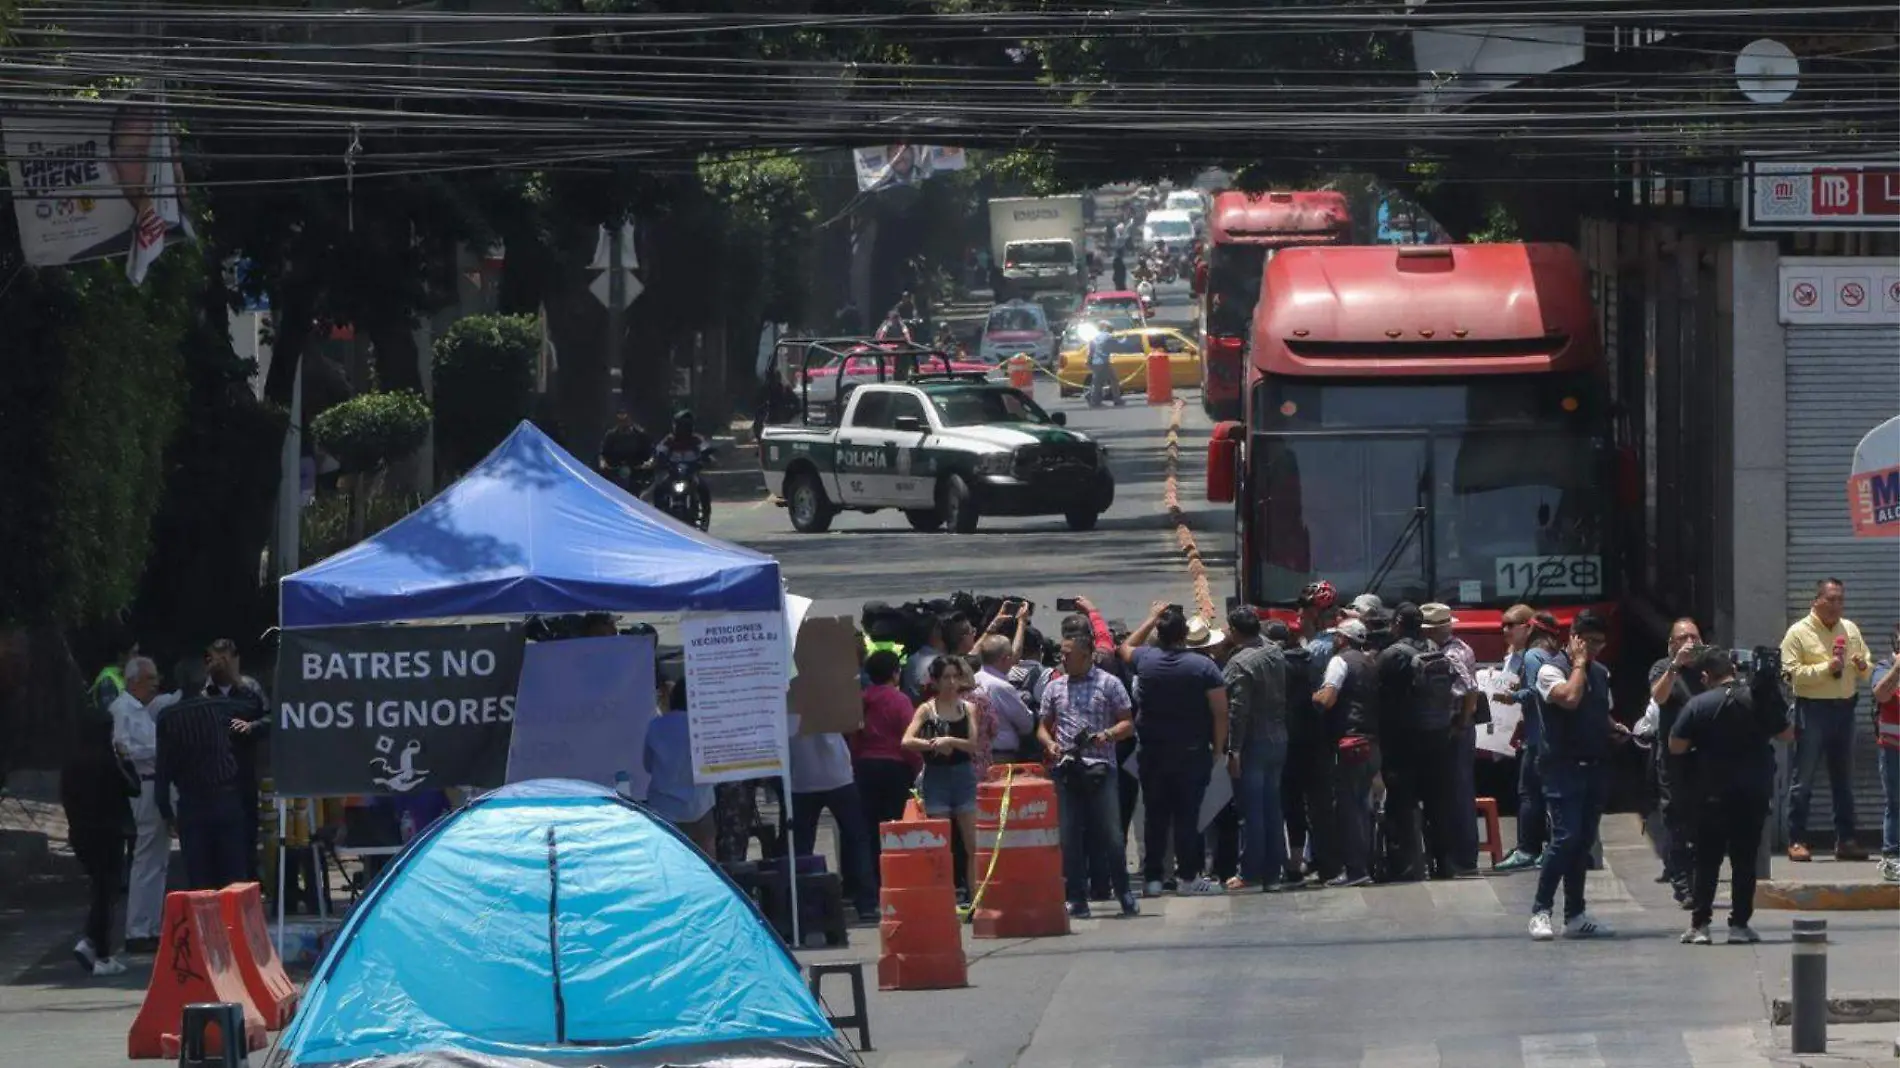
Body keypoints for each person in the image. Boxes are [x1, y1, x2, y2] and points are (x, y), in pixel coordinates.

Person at [1669, 647, 1793, 945]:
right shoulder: (1758, 700)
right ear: (1734, 671)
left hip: (1711, 794)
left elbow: (1676, 746)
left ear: (1704, 677)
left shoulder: (1699, 704)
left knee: (1707, 860)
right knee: (1745, 860)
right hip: (1751, 794)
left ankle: (1700, 926)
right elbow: (1787, 734)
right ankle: (1739, 925)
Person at [1527, 610, 1629, 941]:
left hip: (1595, 764)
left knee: (1583, 841)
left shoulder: (1600, 673)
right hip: (1562, 766)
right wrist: (1580, 664)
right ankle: (1541, 910)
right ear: (1574, 638)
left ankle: (1576, 914)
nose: (1596, 649)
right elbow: (1570, 700)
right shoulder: (1550, 669)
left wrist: (1615, 730)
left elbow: (1600, 711)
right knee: (1565, 837)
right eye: (1590, 642)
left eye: (1601, 642)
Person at [1120, 603, 1230, 897]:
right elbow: (1220, 711)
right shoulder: (1203, 666)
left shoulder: (1146, 659)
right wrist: (1218, 748)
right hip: (1191, 753)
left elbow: (1125, 647)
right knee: (1187, 816)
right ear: (1185, 636)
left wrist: (1151, 616)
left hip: (1152, 752)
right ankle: (1188, 878)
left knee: (1155, 816)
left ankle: (1154, 879)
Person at [1037, 617, 1139, 918]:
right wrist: (1049, 744)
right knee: (1069, 835)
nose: (1063, 659)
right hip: (1066, 769)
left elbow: (1128, 724)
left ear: (1085, 655)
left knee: (1110, 833)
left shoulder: (1109, 684)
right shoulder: (1055, 687)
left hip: (1101, 768)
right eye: (1062, 654)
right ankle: (1077, 898)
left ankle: (1123, 892)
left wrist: (1106, 735)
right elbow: (1042, 727)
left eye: (1068, 654)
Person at [1780, 578, 1874, 862]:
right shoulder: (1798, 632)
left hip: (1845, 710)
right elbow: (1790, 674)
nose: (1836, 606)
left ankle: (1845, 840)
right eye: (1830, 600)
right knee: (1803, 780)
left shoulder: (1850, 629)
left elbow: (1868, 669)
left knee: (1843, 780)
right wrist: (1826, 668)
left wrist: (1862, 665)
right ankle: (1797, 840)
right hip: (1812, 711)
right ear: (1816, 601)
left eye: (1840, 600)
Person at [1376, 603, 1460, 881]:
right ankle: (1445, 863)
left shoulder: (1391, 656)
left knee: (1401, 803)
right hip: (1436, 735)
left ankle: (1406, 866)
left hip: (1402, 739)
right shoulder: (1434, 650)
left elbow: (1376, 694)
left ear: (1397, 624)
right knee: (1438, 802)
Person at [61, 682, 136, 977]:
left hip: (80, 831)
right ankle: (99, 950)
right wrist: (124, 758)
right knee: (107, 892)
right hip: (109, 832)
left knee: (98, 889)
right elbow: (134, 788)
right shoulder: (107, 760)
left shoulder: (72, 762)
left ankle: (92, 943)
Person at [110, 656, 181, 952]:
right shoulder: (122, 709)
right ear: (134, 680)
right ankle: (138, 929)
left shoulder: (142, 711)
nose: (155, 683)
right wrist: (159, 750)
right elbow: (123, 749)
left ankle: (150, 926)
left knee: (158, 860)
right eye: (150, 678)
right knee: (146, 859)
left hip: (158, 782)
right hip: (144, 784)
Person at [902, 656, 988, 897]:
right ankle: (943, 897)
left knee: (973, 844)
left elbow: (972, 744)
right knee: (941, 844)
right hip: (936, 777)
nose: (951, 683)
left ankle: (976, 898)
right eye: (946, 677)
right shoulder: (927, 709)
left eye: (955, 677)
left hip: (963, 777)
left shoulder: (967, 708)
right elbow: (907, 740)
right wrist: (931, 745)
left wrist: (949, 740)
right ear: (936, 681)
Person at [1222, 608, 1288, 892]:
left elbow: (1238, 710)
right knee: (1272, 807)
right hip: (1278, 736)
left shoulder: (1239, 664)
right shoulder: (1276, 652)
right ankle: (1274, 871)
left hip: (1254, 742)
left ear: (1235, 632)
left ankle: (1250, 872)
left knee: (1251, 811)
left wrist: (1233, 750)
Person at [154, 689, 248, 891]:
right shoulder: (220, 706)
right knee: (233, 875)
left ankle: (204, 921)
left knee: (199, 880)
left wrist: (166, 812)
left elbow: (162, 770)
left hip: (191, 802)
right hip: (225, 797)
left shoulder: (168, 717)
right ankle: (232, 921)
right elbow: (256, 709)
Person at [1646, 617, 1709, 904]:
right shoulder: (1663, 667)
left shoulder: (1708, 667)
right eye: (1683, 638)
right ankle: (1683, 885)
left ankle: (1698, 880)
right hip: (1673, 756)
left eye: (1694, 637)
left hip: (1705, 756)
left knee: (1703, 821)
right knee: (1676, 819)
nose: (1689, 643)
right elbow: (1659, 697)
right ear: (1671, 644)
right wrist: (1675, 666)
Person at [788, 726, 878, 924]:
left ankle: (803, 904)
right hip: (838, 775)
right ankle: (867, 903)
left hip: (802, 777)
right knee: (857, 840)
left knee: (801, 845)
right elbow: (855, 725)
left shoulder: (786, 698)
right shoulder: (833, 697)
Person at [1312, 618, 1377, 887]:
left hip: (1350, 742)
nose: (1333, 640)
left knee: (1349, 808)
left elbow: (1327, 699)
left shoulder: (1340, 662)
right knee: (1363, 806)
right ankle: (1364, 864)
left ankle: (1354, 870)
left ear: (1343, 639)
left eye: (1336, 636)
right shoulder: (1370, 662)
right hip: (1372, 742)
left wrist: (1313, 696)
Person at [852, 650, 922, 893]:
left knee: (870, 827)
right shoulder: (899, 700)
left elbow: (853, 736)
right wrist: (918, 768)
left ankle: (873, 878)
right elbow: (909, 737)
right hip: (895, 768)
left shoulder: (862, 699)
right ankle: (896, 874)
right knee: (895, 823)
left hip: (865, 767)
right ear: (895, 673)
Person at [1421, 603, 1481, 875]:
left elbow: (1470, 689)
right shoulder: (1452, 649)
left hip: (1457, 727)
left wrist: (1463, 722)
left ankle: (1465, 857)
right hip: (1455, 726)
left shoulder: (1453, 653)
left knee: (1458, 792)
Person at [203, 639, 269, 882]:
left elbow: (272, 719)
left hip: (243, 771)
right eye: (215, 659)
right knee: (215, 837)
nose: (221, 665)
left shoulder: (250, 689)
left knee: (247, 831)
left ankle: (249, 882)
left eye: (226, 660)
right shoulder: (203, 692)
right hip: (212, 776)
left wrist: (252, 726)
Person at [1492, 604, 1548, 872]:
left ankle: (1529, 849)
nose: (1505, 630)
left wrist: (1511, 696)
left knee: (1529, 794)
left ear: (1528, 627)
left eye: (1510, 625)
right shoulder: (1518, 655)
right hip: (1530, 733)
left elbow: (1535, 691)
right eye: (1502, 625)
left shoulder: (1531, 657)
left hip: (1539, 737)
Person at [645, 679, 717, 854]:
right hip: (700, 807)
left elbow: (647, 765)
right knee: (705, 867)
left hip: (664, 810)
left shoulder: (656, 726)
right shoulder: (705, 726)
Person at [975, 630, 1038, 765]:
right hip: (999, 757)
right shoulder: (1000, 687)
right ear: (1005, 659)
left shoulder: (974, 680)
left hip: (978, 755)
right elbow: (1026, 724)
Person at [645, 409, 714, 527]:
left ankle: (705, 518)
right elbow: (660, 451)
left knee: (703, 489)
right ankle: (659, 518)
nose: (682, 428)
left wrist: (707, 457)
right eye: (679, 425)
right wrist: (658, 460)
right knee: (659, 489)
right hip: (673, 473)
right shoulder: (669, 440)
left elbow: (705, 449)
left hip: (691, 473)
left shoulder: (696, 439)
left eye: (685, 425)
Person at [1872, 626, 1900, 883]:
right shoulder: (1885, 666)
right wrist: (1898, 669)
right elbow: (1880, 693)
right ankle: (1892, 857)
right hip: (1893, 748)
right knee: (1895, 803)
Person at [597, 403, 653, 490]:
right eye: (620, 415)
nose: (623, 419)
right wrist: (604, 463)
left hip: (635, 470)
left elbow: (648, 452)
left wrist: (646, 463)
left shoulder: (640, 434)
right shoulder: (611, 435)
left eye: (625, 416)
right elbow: (603, 452)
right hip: (615, 470)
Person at [1084, 321, 1122, 408]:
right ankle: (1117, 400)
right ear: (1107, 328)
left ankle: (1095, 401)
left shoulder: (1094, 336)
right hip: (1104, 362)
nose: (1112, 331)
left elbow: (1091, 350)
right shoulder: (1108, 336)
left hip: (1096, 363)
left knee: (1097, 382)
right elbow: (1118, 345)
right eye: (1111, 329)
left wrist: (1088, 360)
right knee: (1114, 380)